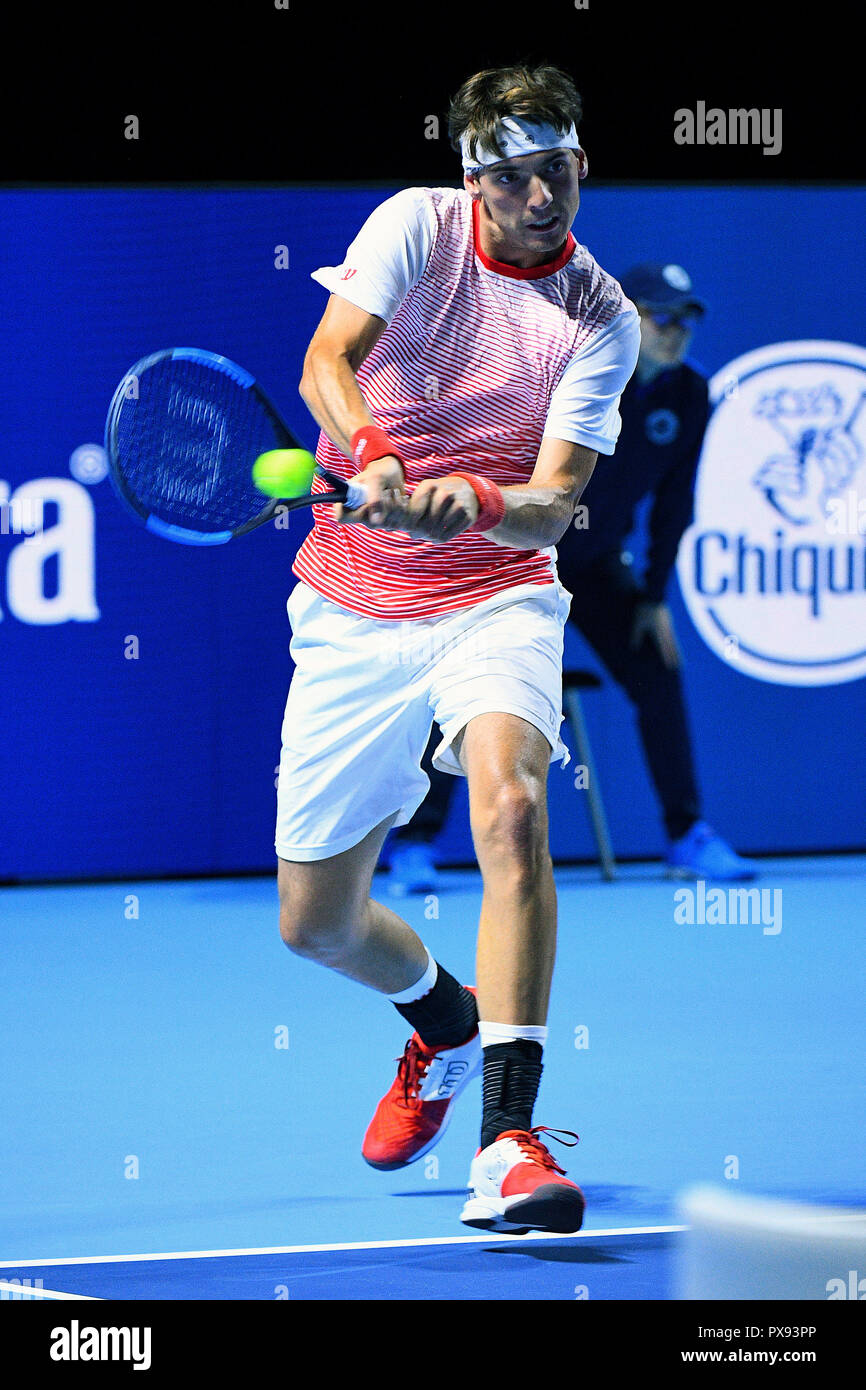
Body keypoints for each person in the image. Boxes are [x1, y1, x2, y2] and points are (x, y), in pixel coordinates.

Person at [274, 62, 640, 1234]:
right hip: (353, 606)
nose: (546, 194)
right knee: (315, 923)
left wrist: (468, 500)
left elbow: (549, 506)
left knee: (512, 807)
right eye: (519, 175)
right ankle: (439, 1019)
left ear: (582, 161)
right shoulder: (413, 228)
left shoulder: (601, 317)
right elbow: (325, 361)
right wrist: (375, 452)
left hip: (496, 595)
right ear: (475, 179)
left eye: (563, 167)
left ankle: (507, 1144)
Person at [386, 263, 758, 891]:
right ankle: (415, 844)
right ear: (627, 316)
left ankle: (687, 835)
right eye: (660, 316)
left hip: (597, 565)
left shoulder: (689, 396)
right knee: (464, 682)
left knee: (658, 671)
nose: (676, 331)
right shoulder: (573, 375)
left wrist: (652, 595)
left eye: (686, 319)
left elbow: (674, 503)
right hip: (515, 558)